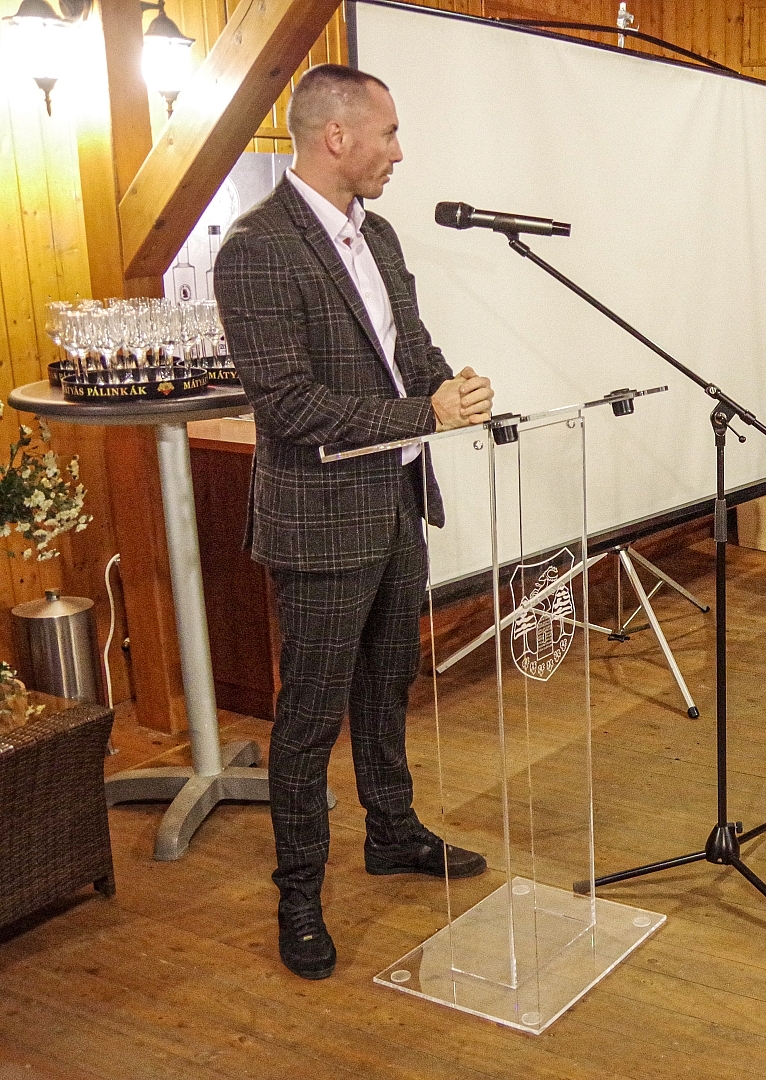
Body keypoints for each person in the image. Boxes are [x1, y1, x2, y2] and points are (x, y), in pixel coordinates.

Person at [215, 64, 494, 981]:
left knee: (387, 683)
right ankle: (299, 896)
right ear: (336, 136)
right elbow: (288, 403)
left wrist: (452, 385)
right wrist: (423, 413)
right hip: (322, 522)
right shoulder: (257, 247)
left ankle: (391, 830)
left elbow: (409, 347)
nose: (399, 151)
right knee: (308, 718)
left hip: (397, 503)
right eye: (389, 132)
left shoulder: (378, 233)